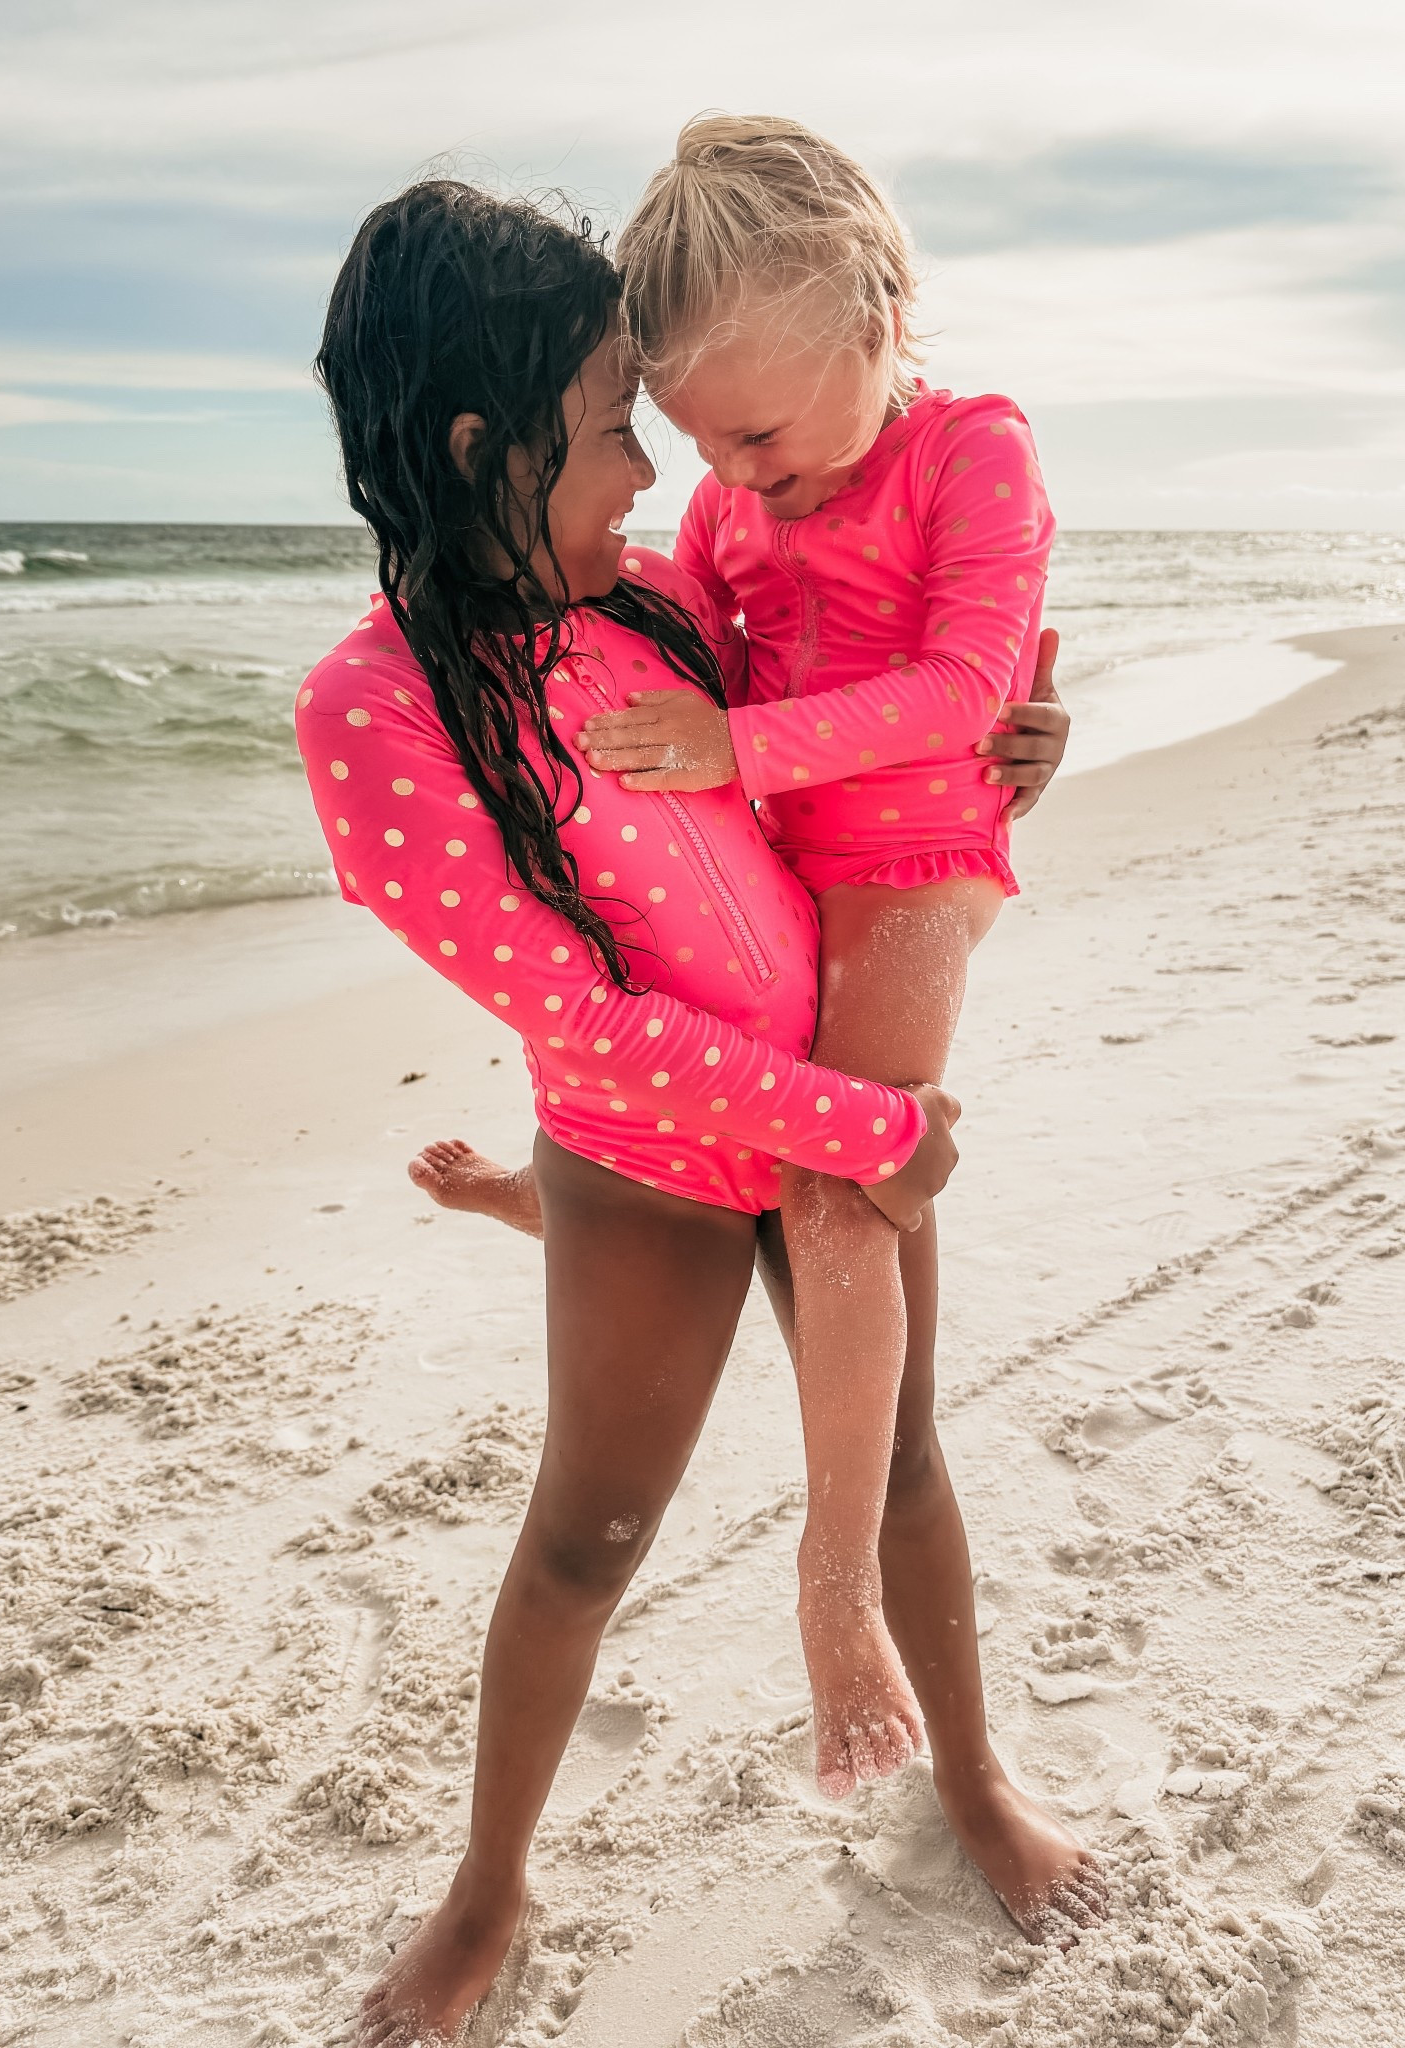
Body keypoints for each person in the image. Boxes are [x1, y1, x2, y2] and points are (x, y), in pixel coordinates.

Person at [299, 179, 1100, 2048]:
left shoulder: (656, 607)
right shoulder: (381, 710)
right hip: (656, 1156)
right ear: (482, 446)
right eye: (603, 430)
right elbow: (577, 1004)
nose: (649, 475)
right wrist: (863, 1129)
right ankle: (487, 1890)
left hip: (829, 1108)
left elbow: (833, 770)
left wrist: (1000, 765)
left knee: (903, 1467)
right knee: (584, 1536)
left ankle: (972, 1777)